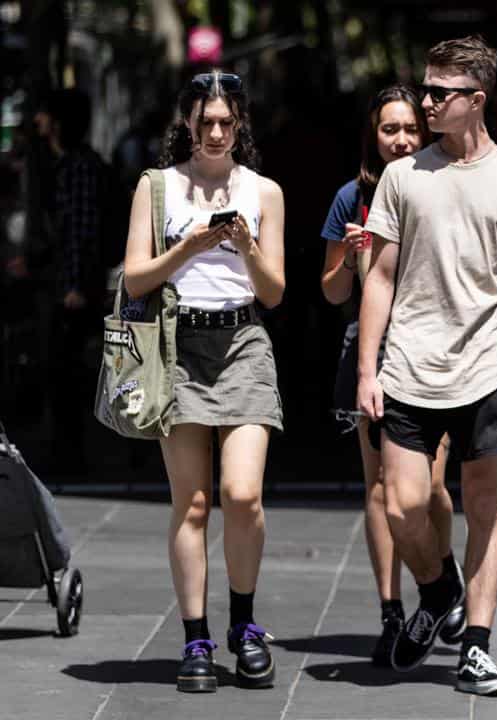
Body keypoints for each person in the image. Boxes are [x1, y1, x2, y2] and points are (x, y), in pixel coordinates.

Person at [357, 35, 497, 697]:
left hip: (488, 365)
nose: (428, 102)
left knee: (485, 507)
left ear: (478, 100)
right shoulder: (403, 175)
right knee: (402, 505)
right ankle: (438, 586)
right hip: (410, 367)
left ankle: (475, 644)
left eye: (441, 92)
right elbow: (381, 276)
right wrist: (367, 369)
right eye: (427, 88)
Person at [121, 70, 286, 693]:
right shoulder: (157, 187)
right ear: (187, 122)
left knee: (242, 495)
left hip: (244, 343)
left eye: (226, 121)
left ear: (240, 123)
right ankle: (196, 637)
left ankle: (243, 627)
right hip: (177, 346)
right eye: (205, 121)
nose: (216, 132)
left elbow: (273, 293)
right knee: (192, 502)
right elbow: (137, 278)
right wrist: (188, 247)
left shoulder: (264, 191)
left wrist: (244, 246)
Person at [319, 83, 464, 667]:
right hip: (371, 353)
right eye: (389, 129)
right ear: (372, 136)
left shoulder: (442, 184)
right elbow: (331, 293)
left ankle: (440, 577)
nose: (401, 138)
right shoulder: (350, 197)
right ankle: (391, 611)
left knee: (428, 487)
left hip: (433, 352)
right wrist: (353, 259)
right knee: (379, 489)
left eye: (409, 128)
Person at [47, 88, 111, 472]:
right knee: (67, 372)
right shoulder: (69, 165)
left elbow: (80, 231)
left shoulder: (78, 167)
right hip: (74, 283)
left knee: (69, 372)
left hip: (77, 288)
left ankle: (73, 456)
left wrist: (73, 285)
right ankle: (71, 452)